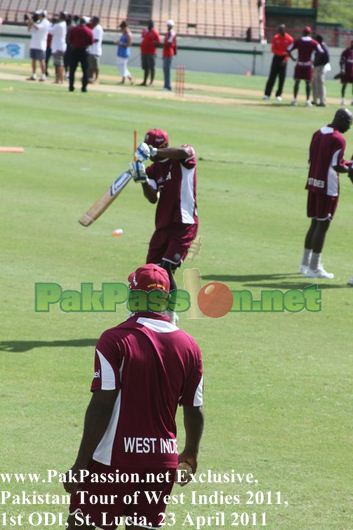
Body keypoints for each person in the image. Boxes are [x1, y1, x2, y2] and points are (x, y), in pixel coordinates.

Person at [64, 263, 204, 530]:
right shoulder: (190, 346)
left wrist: (81, 463)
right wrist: (190, 454)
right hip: (161, 460)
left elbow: (102, 404)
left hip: (112, 459)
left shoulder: (114, 340)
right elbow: (194, 408)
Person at [131, 130, 198, 292]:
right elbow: (152, 197)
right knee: (150, 272)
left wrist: (154, 151)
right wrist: (142, 180)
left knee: (167, 269)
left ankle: (170, 312)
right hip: (163, 225)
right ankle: (151, 308)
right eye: (148, 148)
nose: (151, 154)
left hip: (184, 224)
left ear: (164, 146)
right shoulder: (153, 170)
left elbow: (185, 152)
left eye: (154, 148)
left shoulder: (183, 158)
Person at [299, 109, 353, 279]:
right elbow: (337, 166)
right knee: (323, 225)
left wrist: (347, 163)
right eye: (349, 123)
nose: (349, 127)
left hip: (313, 183)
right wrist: (350, 168)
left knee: (314, 223)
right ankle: (315, 268)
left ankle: (304, 264)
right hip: (328, 188)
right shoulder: (338, 139)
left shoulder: (318, 132)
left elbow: (313, 158)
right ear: (341, 120)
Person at [287, 26, 323, 107]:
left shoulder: (298, 41)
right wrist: (315, 61)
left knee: (297, 82)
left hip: (299, 64)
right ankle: (307, 101)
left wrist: (293, 58)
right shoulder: (314, 42)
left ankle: (294, 100)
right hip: (308, 65)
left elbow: (288, 49)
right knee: (308, 83)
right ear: (310, 33)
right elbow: (321, 52)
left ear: (303, 33)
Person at [263, 24, 293, 102]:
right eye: (278, 30)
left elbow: (290, 51)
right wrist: (282, 53)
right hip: (276, 58)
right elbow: (273, 49)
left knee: (282, 78)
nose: (279, 32)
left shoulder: (289, 39)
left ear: (284, 30)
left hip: (284, 59)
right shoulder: (275, 38)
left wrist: (285, 59)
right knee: (272, 77)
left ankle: (279, 95)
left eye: (281, 30)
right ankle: (267, 94)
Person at [67, 17, 93, 92]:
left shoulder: (73, 29)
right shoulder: (88, 30)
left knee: (72, 70)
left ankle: (71, 86)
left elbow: (69, 40)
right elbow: (90, 42)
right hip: (84, 51)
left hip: (74, 50)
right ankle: (84, 87)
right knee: (85, 70)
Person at [26, 10, 51, 81]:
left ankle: (43, 75)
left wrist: (31, 20)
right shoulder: (37, 21)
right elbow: (29, 30)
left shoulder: (46, 22)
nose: (37, 16)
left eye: (39, 15)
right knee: (33, 60)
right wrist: (29, 22)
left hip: (41, 45)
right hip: (34, 44)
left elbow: (38, 28)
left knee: (41, 60)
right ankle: (34, 75)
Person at [140, 20, 160, 86]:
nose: (148, 25)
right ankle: (144, 81)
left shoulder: (155, 32)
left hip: (151, 53)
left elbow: (158, 43)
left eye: (150, 24)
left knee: (152, 67)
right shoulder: (147, 32)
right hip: (144, 52)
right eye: (148, 24)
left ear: (152, 25)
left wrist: (154, 43)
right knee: (145, 67)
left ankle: (151, 82)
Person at [312, 35, 330, 107]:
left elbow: (327, 58)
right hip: (317, 66)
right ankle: (315, 100)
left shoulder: (323, 46)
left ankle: (322, 101)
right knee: (314, 83)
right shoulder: (319, 46)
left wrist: (321, 65)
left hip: (320, 67)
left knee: (320, 83)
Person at [51, 12, 67, 84]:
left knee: (58, 64)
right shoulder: (63, 24)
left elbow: (50, 31)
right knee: (60, 64)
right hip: (61, 46)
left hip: (57, 47)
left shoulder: (59, 25)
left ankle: (60, 80)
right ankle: (59, 79)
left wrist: (51, 24)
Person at [87, 16, 104, 83]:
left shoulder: (98, 29)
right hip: (91, 50)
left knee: (95, 66)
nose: (91, 22)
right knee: (90, 66)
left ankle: (96, 78)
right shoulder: (94, 28)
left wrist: (88, 41)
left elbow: (96, 39)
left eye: (93, 21)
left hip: (95, 51)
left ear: (96, 21)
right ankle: (90, 78)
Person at [116, 20, 133, 85]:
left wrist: (120, 43)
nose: (121, 29)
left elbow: (129, 44)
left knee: (122, 67)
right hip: (120, 52)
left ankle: (130, 78)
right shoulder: (124, 34)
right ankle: (124, 80)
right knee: (121, 67)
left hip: (124, 53)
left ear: (125, 27)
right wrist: (118, 42)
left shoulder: (128, 34)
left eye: (122, 28)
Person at [162, 20, 177, 91]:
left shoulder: (172, 33)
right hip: (166, 53)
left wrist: (163, 44)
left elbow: (169, 43)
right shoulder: (168, 33)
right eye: (167, 25)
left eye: (169, 25)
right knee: (165, 69)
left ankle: (168, 86)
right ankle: (166, 85)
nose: (167, 26)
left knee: (167, 69)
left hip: (169, 53)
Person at [339, 41, 353, 106]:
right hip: (346, 71)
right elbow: (341, 61)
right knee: (344, 85)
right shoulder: (346, 51)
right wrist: (342, 69)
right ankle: (342, 99)